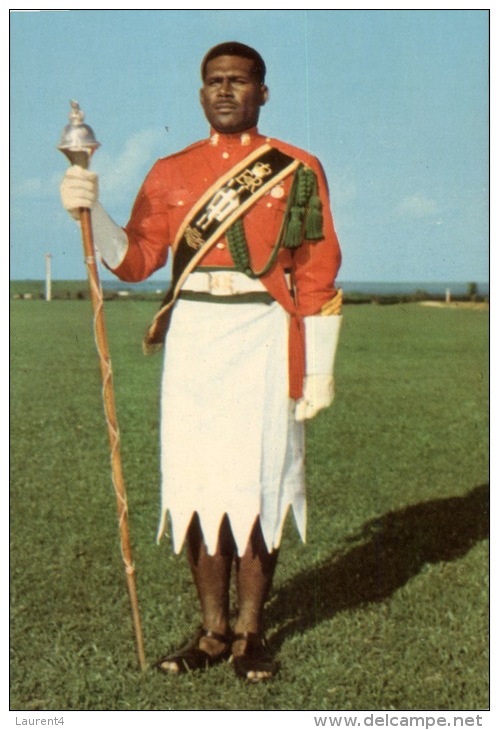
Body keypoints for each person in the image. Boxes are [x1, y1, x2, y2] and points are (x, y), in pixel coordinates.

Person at [60, 41, 342, 682]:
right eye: (213, 81)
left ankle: (251, 634)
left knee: (259, 483)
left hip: (266, 335)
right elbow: (135, 260)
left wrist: (319, 367)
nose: (224, 91)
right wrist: (91, 209)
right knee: (196, 484)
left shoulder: (295, 169)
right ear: (200, 92)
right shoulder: (171, 170)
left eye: (238, 81)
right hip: (194, 337)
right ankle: (211, 631)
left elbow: (318, 270)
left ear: (261, 92)